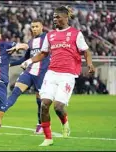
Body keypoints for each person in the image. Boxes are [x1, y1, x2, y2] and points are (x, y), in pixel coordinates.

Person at [21, 6, 95, 146]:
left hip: (67, 75)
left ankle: (65, 122)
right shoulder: (50, 35)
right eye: (54, 17)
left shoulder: (75, 33)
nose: (55, 19)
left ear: (66, 18)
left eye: (58, 17)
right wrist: (29, 61)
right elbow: (43, 53)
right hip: (52, 73)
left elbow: (86, 51)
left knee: (58, 107)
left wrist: (90, 64)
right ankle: (48, 138)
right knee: (44, 105)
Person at [5, 19, 50, 134]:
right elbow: (24, 59)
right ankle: (1, 108)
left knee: (40, 103)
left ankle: (41, 124)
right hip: (29, 72)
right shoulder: (31, 42)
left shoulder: (48, 38)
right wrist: (10, 64)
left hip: (42, 74)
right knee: (15, 92)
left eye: (36, 26)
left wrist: (21, 45)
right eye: (33, 27)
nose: (34, 29)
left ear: (42, 27)